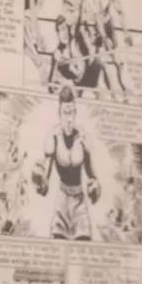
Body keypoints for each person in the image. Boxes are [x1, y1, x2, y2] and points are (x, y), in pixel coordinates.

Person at [31, 86, 100, 240]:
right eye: (66, 112)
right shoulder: (53, 138)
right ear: (60, 113)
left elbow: (91, 173)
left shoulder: (83, 138)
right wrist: (39, 181)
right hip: (61, 203)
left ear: (75, 112)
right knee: (58, 243)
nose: (69, 118)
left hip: (79, 202)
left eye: (72, 112)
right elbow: (45, 179)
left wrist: (95, 186)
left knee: (83, 243)